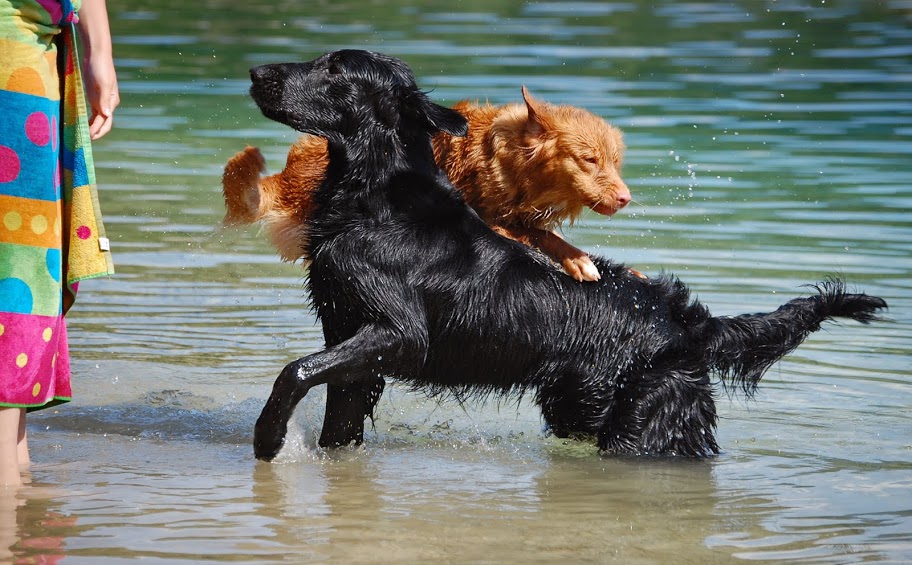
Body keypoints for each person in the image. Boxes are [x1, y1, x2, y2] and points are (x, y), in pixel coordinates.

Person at [0, 0, 118, 487]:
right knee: (18, 265)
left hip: (33, 53)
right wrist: (99, 54)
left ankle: (17, 485)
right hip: (17, 56)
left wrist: (98, 54)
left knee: (21, 260)